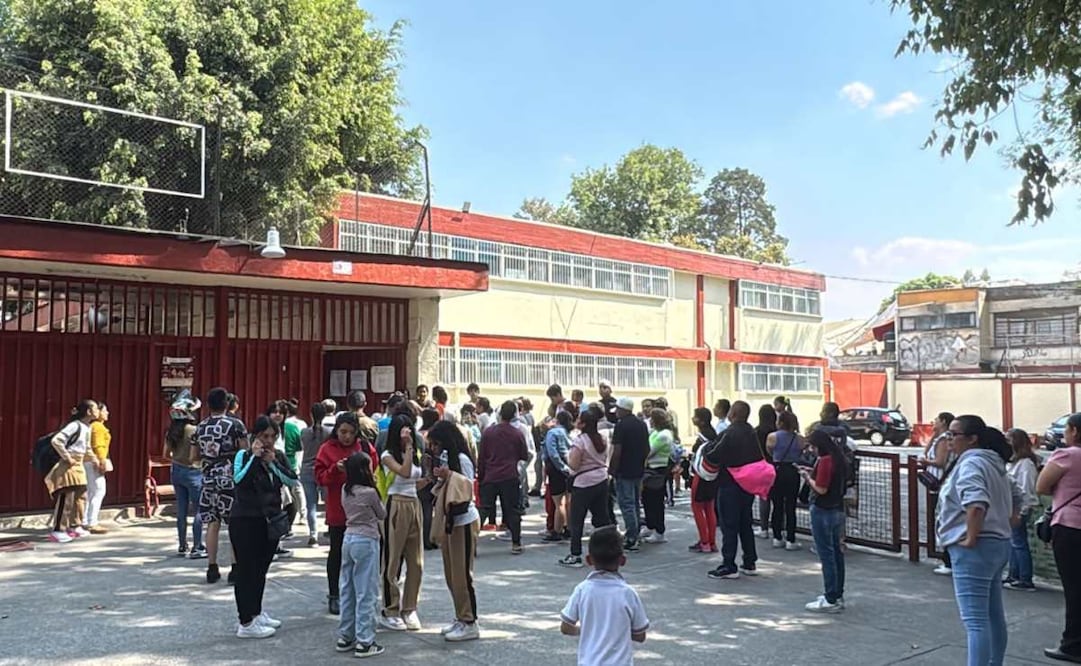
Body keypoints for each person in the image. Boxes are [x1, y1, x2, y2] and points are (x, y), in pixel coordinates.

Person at [937, 416, 1021, 665]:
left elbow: (976, 503)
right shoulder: (993, 463)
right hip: (998, 543)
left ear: (972, 438)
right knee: (993, 615)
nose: (949, 439)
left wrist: (971, 537)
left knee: (975, 621)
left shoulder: (971, 464)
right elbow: (1018, 494)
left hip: (976, 547)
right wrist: (1010, 520)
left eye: (954, 434)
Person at [230, 415, 297, 639]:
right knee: (246, 571)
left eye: (272, 436)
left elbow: (291, 480)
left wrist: (272, 463)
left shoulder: (277, 456)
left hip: (269, 521)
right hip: (245, 520)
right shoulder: (243, 455)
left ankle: (256, 612)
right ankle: (245, 621)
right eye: (264, 436)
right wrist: (255, 458)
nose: (268, 441)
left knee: (261, 570)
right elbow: (239, 480)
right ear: (255, 436)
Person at [559, 526, 649, 666]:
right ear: (622, 560)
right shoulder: (628, 594)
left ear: (589, 560)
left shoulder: (582, 590)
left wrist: (587, 630)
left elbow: (565, 627)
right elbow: (640, 635)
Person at [427, 421, 482, 643]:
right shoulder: (448, 460)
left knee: (462, 575)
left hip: (464, 521)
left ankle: (470, 622)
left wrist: (448, 474)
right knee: (451, 574)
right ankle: (461, 616)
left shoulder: (461, 460)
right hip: (450, 521)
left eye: (436, 443)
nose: (434, 448)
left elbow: (466, 486)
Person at [1037, 412, 1081, 663]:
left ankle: (1073, 644)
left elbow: (1041, 486)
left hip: (1071, 526)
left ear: (1074, 431)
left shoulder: (1067, 455)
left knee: (1075, 589)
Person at [379, 414, 429, 632]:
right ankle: (390, 608)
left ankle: (410, 607)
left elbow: (413, 480)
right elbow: (405, 472)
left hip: (414, 504)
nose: (409, 435)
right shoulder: (388, 455)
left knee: (416, 562)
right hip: (395, 505)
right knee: (393, 559)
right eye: (405, 431)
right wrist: (409, 448)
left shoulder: (413, 453)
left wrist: (428, 481)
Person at [195, 387, 249, 584]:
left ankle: (212, 567)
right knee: (234, 523)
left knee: (212, 523)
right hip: (229, 476)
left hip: (208, 477)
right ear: (227, 404)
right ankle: (235, 568)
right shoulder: (235, 425)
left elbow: (194, 456)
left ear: (208, 405)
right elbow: (245, 451)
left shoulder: (200, 427)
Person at [335, 452, 387, 658]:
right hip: (366, 539)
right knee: (366, 591)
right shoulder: (369, 492)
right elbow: (381, 513)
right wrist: (375, 486)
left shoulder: (345, 490)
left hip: (348, 538)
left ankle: (345, 635)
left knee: (347, 588)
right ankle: (365, 640)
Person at [315, 412, 367, 615]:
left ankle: (356, 593)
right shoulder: (326, 449)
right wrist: (334, 470)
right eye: (343, 431)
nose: (346, 436)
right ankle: (334, 594)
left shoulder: (362, 447)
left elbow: (374, 468)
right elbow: (319, 477)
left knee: (361, 554)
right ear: (336, 430)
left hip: (361, 510)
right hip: (338, 508)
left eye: (351, 432)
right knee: (337, 553)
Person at [705, 401, 762, 580]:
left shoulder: (729, 433)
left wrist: (706, 449)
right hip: (747, 484)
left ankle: (729, 564)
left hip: (729, 483)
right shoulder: (751, 432)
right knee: (745, 523)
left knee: (729, 525)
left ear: (734, 413)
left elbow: (714, 455)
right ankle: (749, 560)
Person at [801, 429, 850, 613]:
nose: (811, 450)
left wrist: (807, 478)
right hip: (837, 508)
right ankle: (837, 594)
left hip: (822, 509)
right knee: (837, 553)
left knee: (827, 555)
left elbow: (820, 489)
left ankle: (830, 597)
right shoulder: (838, 459)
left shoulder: (825, 461)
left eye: (812, 447)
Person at [558, 410, 613, 568]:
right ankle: (609, 550)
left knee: (577, 520)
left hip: (583, 482)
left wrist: (568, 458)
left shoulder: (579, 441)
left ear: (582, 424)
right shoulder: (602, 438)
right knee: (602, 518)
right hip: (601, 479)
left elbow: (574, 464)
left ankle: (575, 555)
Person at [477, 401, 530, 555]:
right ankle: (516, 543)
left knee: (484, 509)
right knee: (513, 510)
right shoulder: (517, 433)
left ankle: (471, 542)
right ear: (515, 415)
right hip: (509, 476)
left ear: (499, 414)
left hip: (490, 476)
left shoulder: (488, 432)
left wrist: (481, 477)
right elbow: (524, 455)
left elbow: (482, 457)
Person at [45, 400, 98, 543]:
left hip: (79, 463)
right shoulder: (75, 425)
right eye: (95, 408)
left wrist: (94, 460)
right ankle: (58, 529)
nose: (98, 411)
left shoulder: (87, 427)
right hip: (69, 463)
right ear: (88, 411)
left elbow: (86, 448)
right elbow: (57, 440)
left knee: (81, 495)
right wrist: (67, 457)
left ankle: (75, 525)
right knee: (66, 496)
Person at [164, 392, 205, 557]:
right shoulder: (195, 431)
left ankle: (182, 545)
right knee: (198, 510)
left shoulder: (171, 432)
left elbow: (166, 455)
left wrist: (177, 458)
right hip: (194, 472)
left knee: (181, 510)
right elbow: (198, 453)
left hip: (176, 470)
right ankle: (197, 546)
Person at [609, 398, 648, 552]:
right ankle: (636, 531)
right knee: (635, 502)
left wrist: (612, 469)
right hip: (637, 469)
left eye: (618, 409)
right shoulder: (641, 424)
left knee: (627, 504)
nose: (616, 412)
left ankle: (631, 536)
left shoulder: (621, 426)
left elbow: (617, 450)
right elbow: (647, 448)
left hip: (624, 470)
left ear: (623, 410)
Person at [1004, 428, 1040, 592]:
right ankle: (1014, 575)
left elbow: (1026, 488)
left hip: (1020, 507)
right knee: (1014, 542)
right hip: (1012, 507)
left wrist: (1022, 510)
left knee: (1019, 542)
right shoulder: (1014, 461)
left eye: (1009, 439)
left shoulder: (1025, 463)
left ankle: (1025, 578)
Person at [922, 411, 956, 575]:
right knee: (938, 518)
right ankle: (946, 558)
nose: (933, 422)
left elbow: (940, 462)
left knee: (941, 519)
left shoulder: (944, 439)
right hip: (938, 484)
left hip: (940, 483)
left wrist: (925, 462)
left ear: (943, 421)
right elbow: (927, 450)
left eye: (936, 420)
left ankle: (948, 560)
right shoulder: (939, 437)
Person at [766, 411, 804, 550]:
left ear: (780, 422)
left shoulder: (772, 437)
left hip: (777, 470)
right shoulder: (799, 439)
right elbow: (801, 452)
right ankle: (791, 539)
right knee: (791, 506)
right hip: (793, 471)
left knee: (777, 505)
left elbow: (770, 452)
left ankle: (777, 536)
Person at [639, 409, 674, 546]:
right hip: (649, 470)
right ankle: (650, 525)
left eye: (652, 418)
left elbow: (649, 451)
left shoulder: (664, 435)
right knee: (647, 500)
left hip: (658, 469)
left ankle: (660, 531)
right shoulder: (655, 432)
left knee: (656, 502)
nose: (650, 421)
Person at [689, 407, 719, 554]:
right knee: (709, 507)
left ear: (701, 420)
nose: (692, 419)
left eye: (695, 416)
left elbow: (695, 452)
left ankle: (704, 542)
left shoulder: (702, 437)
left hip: (701, 475)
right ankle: (712, 542)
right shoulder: (714, 434)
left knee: (697, 507)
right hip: (713, 475)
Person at [299, 402, 330, 547]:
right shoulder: (329, 433)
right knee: (328, 501)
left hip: (306, 469)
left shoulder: (304, 432)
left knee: (311, 504)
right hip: (323, 468)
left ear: (311, 414)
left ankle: (313, 534)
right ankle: (331, 528)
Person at [543, 409, 575, 543]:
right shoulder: (569, 434)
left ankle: (556, 530)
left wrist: (561, 467)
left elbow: (552, 453)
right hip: (569, 468)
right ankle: (569, 528)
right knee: (568, 501)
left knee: (558, 503)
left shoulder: (553, 432)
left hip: (556, 469)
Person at [83, 402, 112, 534]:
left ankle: (85, 520)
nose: (107, 413)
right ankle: (92, 521)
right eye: (105, 410)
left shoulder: (92, 426)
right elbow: (98, 446)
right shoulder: (98, 427)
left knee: (90, 491)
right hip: (94, 461)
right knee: (98, 490)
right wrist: (102, 462)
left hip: (88, 461)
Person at [754, 404, 778, 539]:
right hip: (776, 465)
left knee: (764, 498)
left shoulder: (756, 431)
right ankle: (779, 529)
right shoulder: (777, 431)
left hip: (762, 467)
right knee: (778, 500)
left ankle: (764, 528)